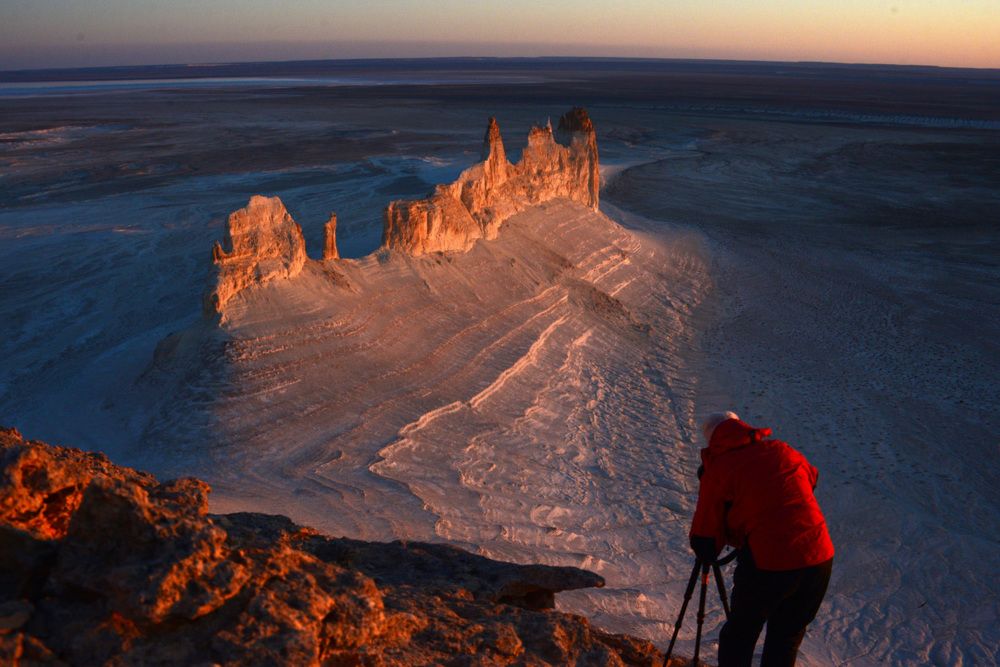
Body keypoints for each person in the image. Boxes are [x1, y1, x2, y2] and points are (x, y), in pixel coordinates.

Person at [690, 411, 834, 667]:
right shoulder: (782, 450)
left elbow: (706, 538)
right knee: (785, 639)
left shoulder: (720, 467)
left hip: (771, 562)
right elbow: (811, 479)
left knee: (739, 638)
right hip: (819, 557)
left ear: (713, 440)